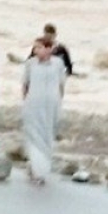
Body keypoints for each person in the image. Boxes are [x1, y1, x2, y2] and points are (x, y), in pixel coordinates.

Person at [22, 35, 67, 185]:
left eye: (40, 47)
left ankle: (41, 168)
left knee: (47, 135)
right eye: (35, 47)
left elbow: (61, 85)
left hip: (51, 106)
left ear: (49, 49)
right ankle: (35, 170)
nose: (36, 50)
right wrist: (26, 102)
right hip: (33, 104)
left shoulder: (58, 64)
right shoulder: (30, 64)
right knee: (34, 135)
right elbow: (25, 84)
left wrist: (59, 102)